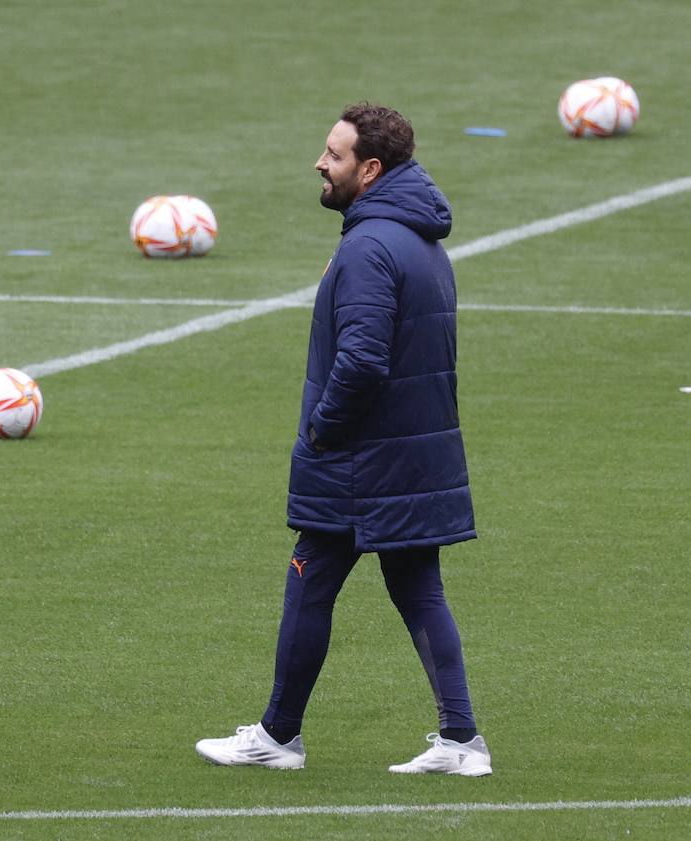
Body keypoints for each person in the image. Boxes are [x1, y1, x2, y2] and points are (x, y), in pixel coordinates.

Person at [194, 104, 491, 776]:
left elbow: (361, 359)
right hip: (410, 453)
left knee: (310, 579)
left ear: (371, 168)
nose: (320, 164)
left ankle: (277, 734)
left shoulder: (368, 247)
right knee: (419, 588)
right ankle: (462, 738)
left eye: (333, 153)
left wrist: (324, 425)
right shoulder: (419, 239)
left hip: (363, 460)